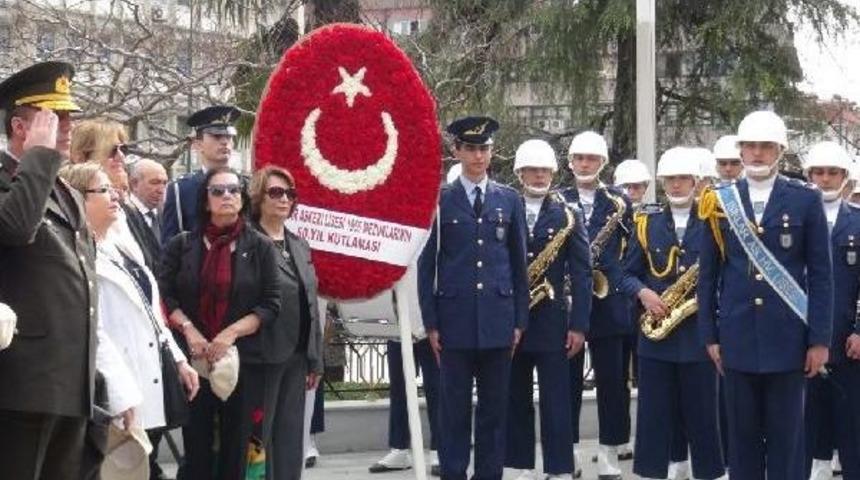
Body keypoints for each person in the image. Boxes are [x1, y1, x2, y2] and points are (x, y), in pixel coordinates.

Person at [0, 60, 127, 479]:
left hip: (70, 387)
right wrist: (37, 156)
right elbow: (17, 227)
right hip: (20, 388)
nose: (69, 125)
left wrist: (96, 379)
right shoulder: (11, 180)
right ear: (20, 127)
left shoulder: (65, 190)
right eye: (55, 116)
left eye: (71, 115)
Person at [697, 110, 833, 479]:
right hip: (736, 339)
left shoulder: (805, 200)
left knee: (788, 442)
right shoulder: (718, 201)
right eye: (750, 146)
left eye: (766, 146)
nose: (757, 153)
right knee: (741, 444)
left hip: (788, 339)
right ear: (740, 150)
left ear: (780, 151)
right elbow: (708, 277)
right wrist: (710, 336)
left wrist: (819, 340)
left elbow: (822, 276)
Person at [61, 162, 200, 479]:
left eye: (113, 189)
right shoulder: (76, 252)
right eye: (103, 190)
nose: (115, 196)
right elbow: (93, 331)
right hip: (114, 384)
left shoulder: (117, 244)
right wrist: (120, 392)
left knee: (142, 461)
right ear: (78, 198)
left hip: (146, 372)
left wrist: (178, 360)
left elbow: (150, 307)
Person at [417, 116, 529, 480]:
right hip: (454, 323)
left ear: (492, 152)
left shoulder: (509, 200)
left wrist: (519, 321)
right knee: (454, 410)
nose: (478, 156)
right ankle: (453, 472)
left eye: (484, 149)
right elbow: (426, 266)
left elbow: (519, 265)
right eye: (471, 148)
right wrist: (431, 322)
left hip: (498, 321)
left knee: (494, 411)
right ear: (457, 151)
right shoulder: (439, 201)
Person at [159, 166, 282, 480]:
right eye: (218, 191)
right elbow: (164, 297)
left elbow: (270, 304)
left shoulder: (260, 247)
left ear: (242, 198)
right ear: (205, 200)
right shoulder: (182, 245)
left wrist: (230, 333)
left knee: (237, 449)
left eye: (233, 190)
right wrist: (189, 330)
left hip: (243, 360)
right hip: (194, 360)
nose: (227, 196)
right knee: (197, 449)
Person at [619, 147, 725, 480]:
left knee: (704, 414)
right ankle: (652, 472)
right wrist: (643, 292)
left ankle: (710, 473)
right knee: (653, 415)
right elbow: (626, 273)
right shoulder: (645, 222)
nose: (676, 185)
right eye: (670, 179)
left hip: (699, 335)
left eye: (683, 178)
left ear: (696, 181)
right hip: (656, 337)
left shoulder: (713, 220)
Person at [504, 139, 592, 480]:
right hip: (513, 319)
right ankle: (522, 466)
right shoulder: (505, 207)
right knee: (516, 396)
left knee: (557, 399)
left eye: (544, 170)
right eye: (532, 170)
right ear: (520, 173)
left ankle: (559, 468)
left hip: (553, 321)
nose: (539, 176)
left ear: (553, 174)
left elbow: (582, 274)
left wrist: (579, 325)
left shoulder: (568, 214)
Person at [560, 131, 632, 479]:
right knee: (567, 381)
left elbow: (631, 251)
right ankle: (570, 450)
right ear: (570, 162)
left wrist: (614, 277)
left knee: (612, 382)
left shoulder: (619, 201)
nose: (585, 164)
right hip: (570, 299)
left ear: (602, 162)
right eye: (579, 158)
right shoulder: (557, 199)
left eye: (591, 158)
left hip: (608, 300)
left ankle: (608, 452)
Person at [250, 165, 325, 480]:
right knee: (258, 437)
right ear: (259, 197)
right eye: (276, 192)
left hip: (297, 355)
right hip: (261, 355)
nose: (284, 199)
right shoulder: (247, 241)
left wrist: (315, 358)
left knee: (291, 437)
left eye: (290, 194)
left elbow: (311, 302)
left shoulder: (298, 243)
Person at [802, 141, 860, 480]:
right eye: (819, 172)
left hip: (845, 339)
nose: (825, 179)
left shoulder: (857, 223)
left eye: (833, 173)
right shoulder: (793, 220)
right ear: (809, 175)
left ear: (844, 177)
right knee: (805, 420)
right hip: (802, 338)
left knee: (850, 422)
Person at [70, 118, 148, 268]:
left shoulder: (126, 211)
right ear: (80, 157)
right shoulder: (72, 212)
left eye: (123, 149)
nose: (121, 157)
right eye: (112, 150)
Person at [161, 105, 240, 244]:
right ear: (198, 144)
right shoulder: (180, 190)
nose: (224, 142)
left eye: (229, 137)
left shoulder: (246, 185)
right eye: (217, 136)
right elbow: (170, 246)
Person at [125, 159, 169, 274]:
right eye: (155, 182)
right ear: (134, 184)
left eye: (164, 183)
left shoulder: (164, 216)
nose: (161, 190)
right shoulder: (123, 217)